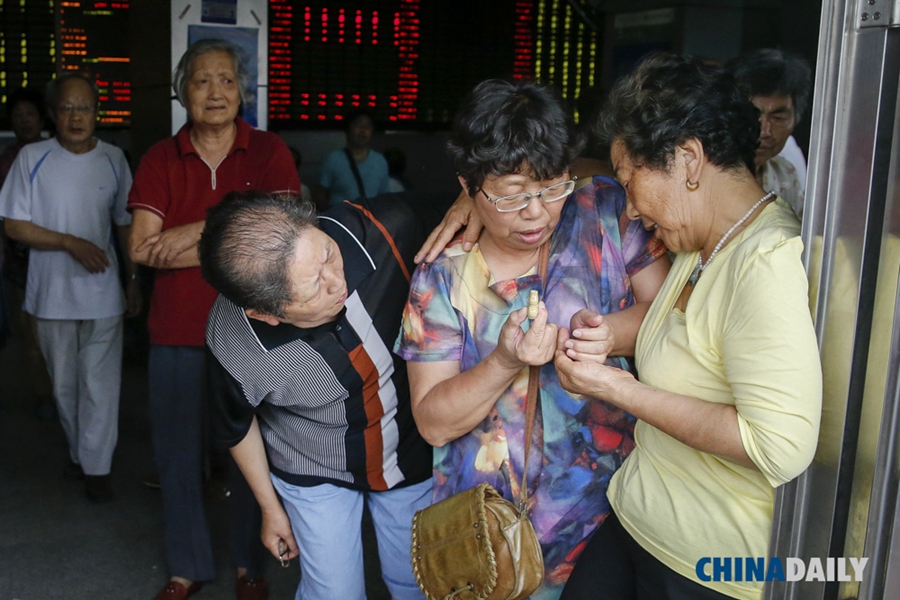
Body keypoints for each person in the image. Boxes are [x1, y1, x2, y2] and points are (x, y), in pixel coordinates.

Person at [558, 53, 822, 600]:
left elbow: (777, 444)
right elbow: (684, 337)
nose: (628, 211)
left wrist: (618, 388)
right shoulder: (700, 242)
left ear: (689, 159)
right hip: (636, 519)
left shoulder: (765, 262)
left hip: (707, 566)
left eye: (631, 183)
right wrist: (606, 335)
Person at [395, 79, 670, 600]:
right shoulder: (442, 278)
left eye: (550, 187)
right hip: (496, 538)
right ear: (468, 186)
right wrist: (502, 360)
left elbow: (668, 315)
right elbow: (432, 423)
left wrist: (605, 334)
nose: (536, 213)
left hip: (615, 512)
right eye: (511, 196)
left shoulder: (604, 212)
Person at [127, 38, 300, 600]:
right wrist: (232, 227)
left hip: (252, 335)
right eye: (201, 80)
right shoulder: (160, 157)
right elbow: (140, 248)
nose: (215, 91)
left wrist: (191, 234)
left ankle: (251, 565)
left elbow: (281, 233)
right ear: (182, 93)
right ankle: (187, 566)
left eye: (226, 79)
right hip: (175, 331)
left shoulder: (268, 150)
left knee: (251, 459)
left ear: (243, 91)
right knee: (178, 458)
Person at [201, 191, 432, 600]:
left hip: (409, 447)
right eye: (314, 287)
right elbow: (237, 426)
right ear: (266, 313)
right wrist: (271, 509)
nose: (336, 281)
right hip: (312, 464)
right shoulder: (233, 340)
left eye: (327, 254)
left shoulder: (384, 226)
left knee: (419, 583)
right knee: (334, 594)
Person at [0, 73, 140, 501]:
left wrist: (132, 281)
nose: (76, 117)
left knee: (100, 384)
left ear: (97, 112)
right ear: (52, 114)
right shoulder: (32, 158)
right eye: (67, 108)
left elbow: (125, 225)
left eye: (85, 108)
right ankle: (82, 454)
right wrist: (68, 242)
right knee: (64, 384)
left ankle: (97, 470)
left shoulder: (115, 158)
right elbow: (14, 224)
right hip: (50, 294)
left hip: (102, 294)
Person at [0, 87, 55, 419]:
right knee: (31, 330)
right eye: (17, 115)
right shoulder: (8, 159)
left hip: (62, 256)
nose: (24, 121)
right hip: (22, 260)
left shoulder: (57, 151)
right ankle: (44, 394)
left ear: (42, 117)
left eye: (29, 114)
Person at [729, 48, 813, 218]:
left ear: (795, 119)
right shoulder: (703, 175)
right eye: (754, 115)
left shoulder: (785, 175)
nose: (765, 131)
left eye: (779, 118)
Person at [315, 108, 390, 209]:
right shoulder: (333, 159)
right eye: (358, 125)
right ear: (347, 129)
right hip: (340, 219)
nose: (362, 131)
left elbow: (384, 198)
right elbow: (320, 195)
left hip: (369, 221)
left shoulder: (380, 161)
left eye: (367, 127)